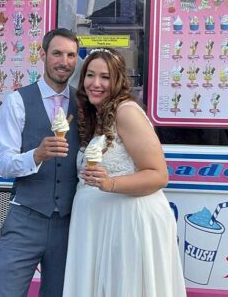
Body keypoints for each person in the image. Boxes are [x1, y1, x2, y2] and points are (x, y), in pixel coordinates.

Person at [62, 48, 187, 297]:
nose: (95, 84)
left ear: (118, 80)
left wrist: (110, 184)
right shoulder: (95, 115)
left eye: (105, 77)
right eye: (90, 75)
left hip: (128, 226)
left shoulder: (126, 112)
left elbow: (159, 175)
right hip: (100, 228)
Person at [0, 28, 80, 297]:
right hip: (25, 220)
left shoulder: (85, 102)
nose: (63, 61)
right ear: (42, 55)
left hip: (69, 222)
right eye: (57, 53)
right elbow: (3, 164)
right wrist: (36, 155)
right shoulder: (17, 101)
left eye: (71, 55)